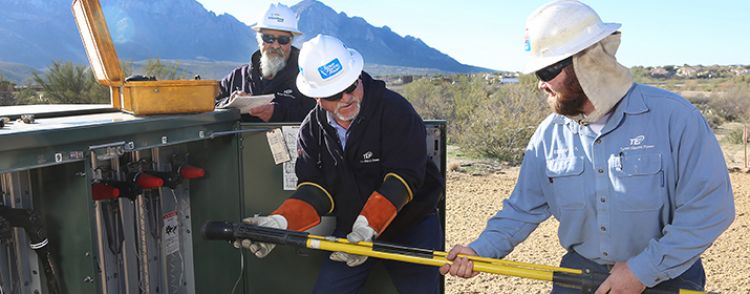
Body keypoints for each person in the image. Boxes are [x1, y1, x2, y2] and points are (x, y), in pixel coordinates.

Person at [439, 1, 735, 293]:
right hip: (580, 275)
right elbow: (521, 209)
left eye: (546, 72)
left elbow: (710, 209)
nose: (541, 85)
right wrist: (479, 251)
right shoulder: (547, 136)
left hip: (667, 277)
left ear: (586, 61)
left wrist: (643, 270)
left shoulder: (676, 118)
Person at [236, 35, 444, 293]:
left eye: (351, 85)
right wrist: (280, 223)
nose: (346, 97)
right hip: (351, 226)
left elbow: (404, 177)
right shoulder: (310, 131)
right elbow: (315, 189)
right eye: (334, 93)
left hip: (410, 225)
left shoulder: (396, 111)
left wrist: (369, 227)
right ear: (316, 97)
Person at [215, 3, 315, 122]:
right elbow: (209, 106)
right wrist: (229, 103)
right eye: (268, 38)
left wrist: (277, 113)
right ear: (258, 38)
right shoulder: (237, 77)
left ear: (291, 42)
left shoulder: (307, 78)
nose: (275, 45)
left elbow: (318, 118)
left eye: (283, 40)